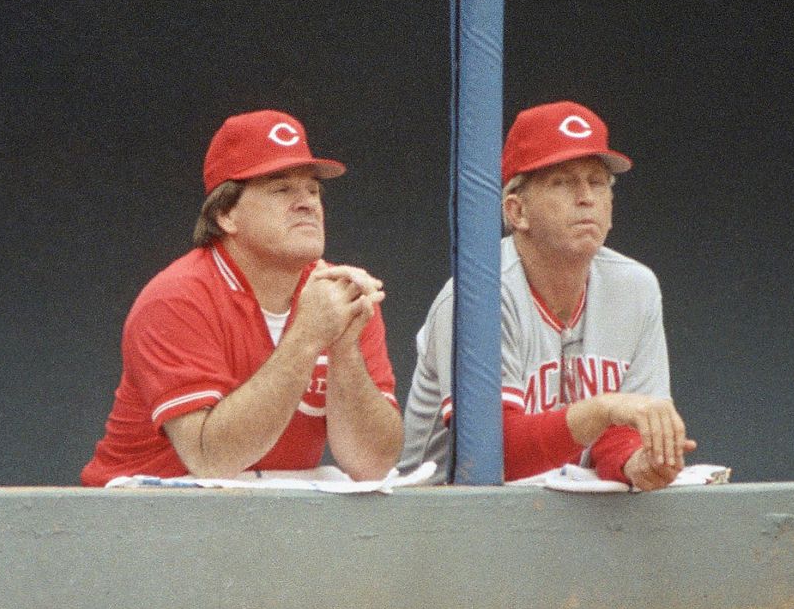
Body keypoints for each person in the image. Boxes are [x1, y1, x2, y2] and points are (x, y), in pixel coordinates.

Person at [82, 110, 403, 486]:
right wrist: (307, 337)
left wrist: (345, 348)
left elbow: (372, 465)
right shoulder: (177, 299)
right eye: (281, 189)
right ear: (225, 214)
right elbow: (211, 460)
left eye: (313, 190)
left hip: (267, 507)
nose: (307, 203)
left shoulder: (337, 294)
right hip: (145, 508)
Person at [398, 100, 695, 489]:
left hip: (559, 511)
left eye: (597, 182)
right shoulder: (478, 295)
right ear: (517, 211)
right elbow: (490, 454)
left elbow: (620, 433)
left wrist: (635, 463)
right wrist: (602, 409)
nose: (586, 196)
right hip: (442, 509)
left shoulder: (635, 287)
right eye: (563, 182)